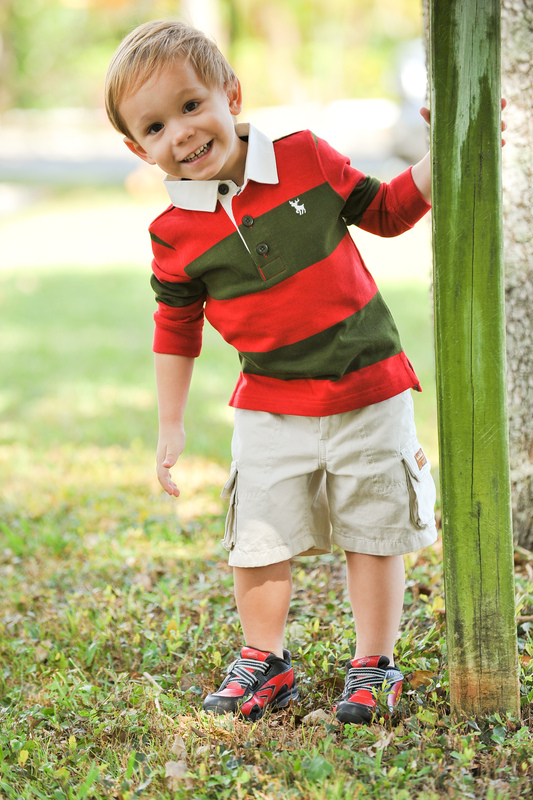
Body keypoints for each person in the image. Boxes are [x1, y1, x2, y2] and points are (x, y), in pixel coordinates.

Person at [105, 18, 439, 726]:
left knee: (372, 529)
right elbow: (177, 328)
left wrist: (441, 160)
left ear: (230, 94)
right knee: (258, 536)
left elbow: (384, 211)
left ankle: (373, 664)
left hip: (367, 388)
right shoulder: (172, 234)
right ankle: (266, 662)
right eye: (156, 127)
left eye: (191, 105)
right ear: (138, 149)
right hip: (269, 406)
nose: (181, 134)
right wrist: (170, 425)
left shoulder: (304, 158)